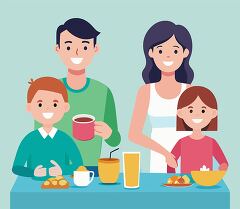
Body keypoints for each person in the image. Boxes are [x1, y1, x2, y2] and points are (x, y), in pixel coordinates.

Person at [35, 18, 121, 176]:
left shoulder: (103, 92)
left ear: (95, 49)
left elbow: (115, 140)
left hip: (91, 169)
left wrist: (109, 133)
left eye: (84, 46)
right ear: (58, 49)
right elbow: (37, 137)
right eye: (68, 46)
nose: (76, 52)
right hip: (54, 169)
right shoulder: (47, 91)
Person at [129, 21, 194, 172]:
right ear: (150, 52)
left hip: (188, 159)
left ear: (185, 53)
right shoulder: (146, 91)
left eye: (175, 50)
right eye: (160, 50)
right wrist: (164, 153)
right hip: (159, 160)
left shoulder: (190, 91)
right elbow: (134, 134)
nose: (168, 55)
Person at [12, 77, 83, 180]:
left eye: (55, 104)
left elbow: (79, 165)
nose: (47, 108)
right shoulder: (29, 140)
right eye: (40, 104)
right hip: (34, 188)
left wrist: (62, 171)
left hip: (61, 186)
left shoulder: (65, 139)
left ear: (65, 107)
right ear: (29, 107)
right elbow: (17, 167)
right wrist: (33, 173)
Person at [168, 86, 228, 173]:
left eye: (203, 111)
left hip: (205, 181)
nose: (196, 115)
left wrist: (221, 170)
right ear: (180, 113)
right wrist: (172, 178)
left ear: (213, 113)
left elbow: (223, 163)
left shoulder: (212, 142)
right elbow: (171, 162)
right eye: (191, 111)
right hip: (186, 181)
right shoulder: (181, 142)